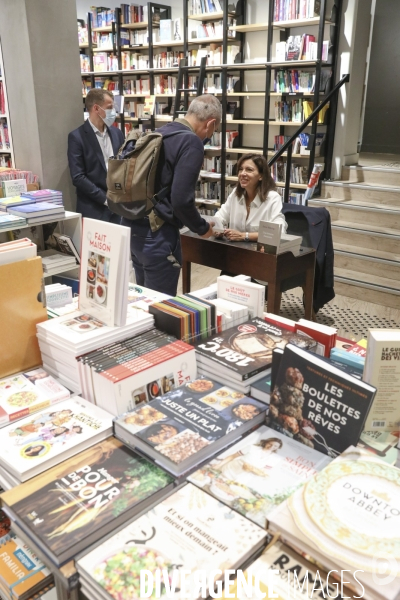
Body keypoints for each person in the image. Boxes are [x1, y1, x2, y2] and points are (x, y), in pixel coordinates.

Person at [121, 94, 221, 295]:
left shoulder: (159, 133)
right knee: (160, 307)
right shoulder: (191, 143)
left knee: (142, 302)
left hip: (132, 228)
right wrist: (202, 228)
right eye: (215, 129)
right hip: (158, 235)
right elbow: (181, 200)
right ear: (210, 123)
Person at [68, 88, 125, 223]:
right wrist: (105, 199)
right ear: (96, 108)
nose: (113, 112)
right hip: (93, 209)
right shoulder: (77, 137)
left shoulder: (117, 134)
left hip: (120, 208)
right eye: (110, 107)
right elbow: (78, 177)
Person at [214, 153, 287, 242]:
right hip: (234, 250)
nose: (242, 173)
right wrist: (218, 229)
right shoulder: (235, 194)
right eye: (241, 169)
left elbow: (279, 232)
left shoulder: (272, 198)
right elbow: (219, 217)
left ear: (261, 176)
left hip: (258, 252)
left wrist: (244, 236)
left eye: (249, 170)